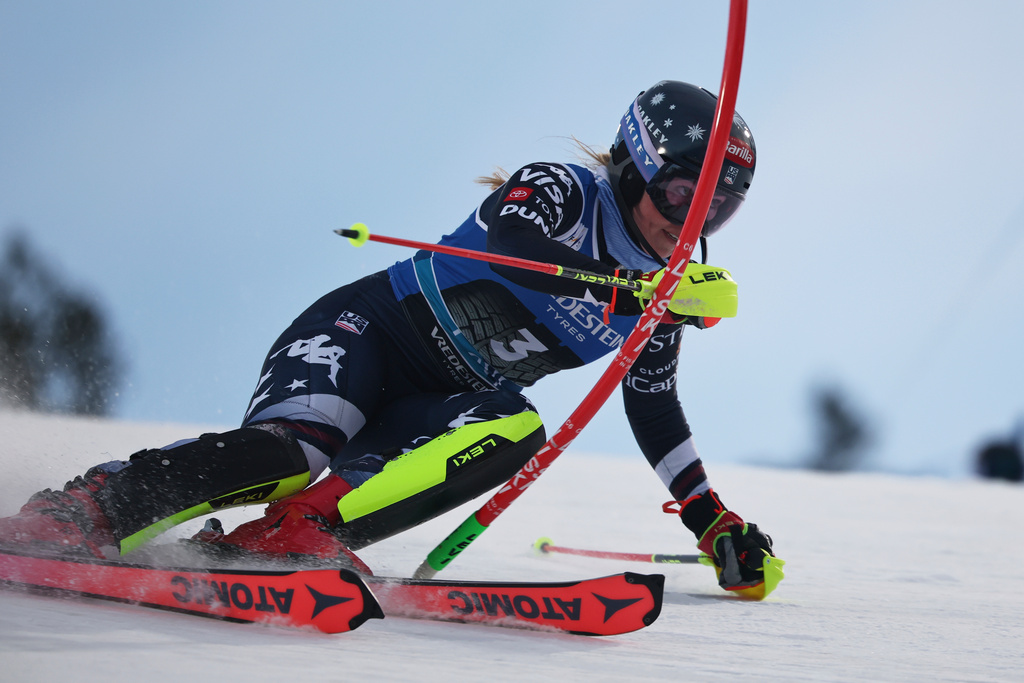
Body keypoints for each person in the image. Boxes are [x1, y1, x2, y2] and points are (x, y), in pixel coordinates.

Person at [0, 81, 776, 593]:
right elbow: (512, 248)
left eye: (718, 209)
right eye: (684, 192)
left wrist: (715, 522)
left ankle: (296, 534)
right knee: (292, 452)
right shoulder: (565, 191)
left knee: (515, 423)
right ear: (640, 164)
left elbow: (654, 408)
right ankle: (91, 506)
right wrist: (631, 288)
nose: (691, 222)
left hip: (432, 412)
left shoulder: (664, 292)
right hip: (366, 337)